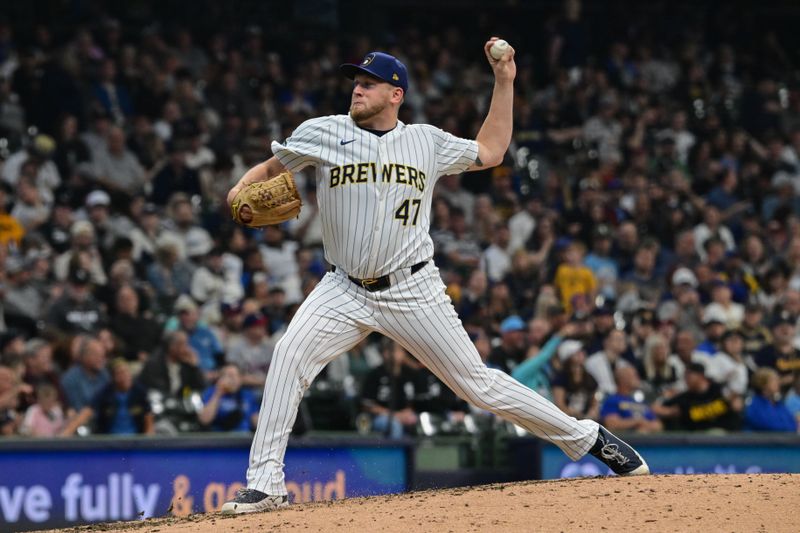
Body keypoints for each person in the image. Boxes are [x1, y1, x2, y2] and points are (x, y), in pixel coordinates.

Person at [221, 40, 648, 515]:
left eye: (368, 84)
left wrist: (504, 80)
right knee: (288, 355)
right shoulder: (322, 132)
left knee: (477, 386)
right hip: (342, 287)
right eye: (355, 83)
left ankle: (588, 436)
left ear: (395, 94)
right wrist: (242, 186)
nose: (357, 91)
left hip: (411, 287)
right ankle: (265, 485)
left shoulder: (427, 140)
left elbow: (492, 149)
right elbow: (272, 166)